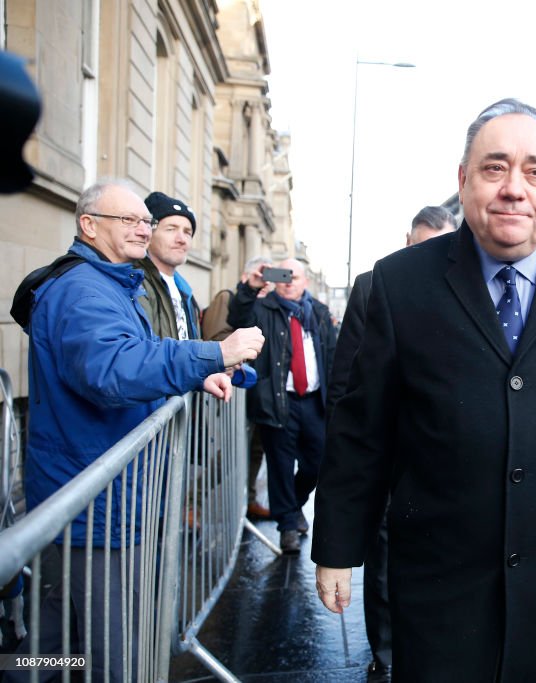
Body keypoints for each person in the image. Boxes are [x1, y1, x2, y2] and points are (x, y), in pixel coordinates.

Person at [312, 98, 536, 681]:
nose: (514, 187)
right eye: (494, 167)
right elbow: (362, 426)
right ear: (464, 180)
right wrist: (336, 545)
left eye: (533, 171)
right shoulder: (400, 283)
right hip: (443, 589)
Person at [10, 180, 264, 682]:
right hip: (97, 498)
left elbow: (136, 359)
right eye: (128, 220)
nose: (142, 229)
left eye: (144, 221)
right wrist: (214, 353)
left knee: (58, 632)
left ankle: (19, 674)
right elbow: (112, 370)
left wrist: (200, 372)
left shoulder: (110, 282)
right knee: (112, 649)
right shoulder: (83, 289)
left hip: (100, 491)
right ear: (89, 225)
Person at [325, 205, 456, 683]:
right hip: (392, 456)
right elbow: (347, 387)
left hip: (447, 462)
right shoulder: (374, 283)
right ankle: (386, 651)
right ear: (409, 240)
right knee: (382, 561)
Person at [227, 257, 336, 554]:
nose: (289, 281)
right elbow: (236, 319)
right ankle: (287, 525)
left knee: (316, 463)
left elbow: (333, 358)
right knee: (281, 466)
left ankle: (293, 506)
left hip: (314, 401)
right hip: (278, 400)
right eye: (283, 275)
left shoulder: (320, 314)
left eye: (295, 276)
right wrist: (250, 288)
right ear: (274, 279)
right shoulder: (262, 309)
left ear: (306, 282)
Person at [202, 254, 275, 520]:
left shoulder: (267, 305)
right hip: (235, 389)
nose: (265, 284)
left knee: (256, 448)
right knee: (230, 450)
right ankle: (194, 500)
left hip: (260, 391)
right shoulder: (228, 297)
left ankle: (251, 499)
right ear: (247, 275)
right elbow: (216, 339)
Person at [136, 191, 201, 340]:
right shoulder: (135, 282)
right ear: (149, 234)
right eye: (171, 229)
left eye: (187, 232)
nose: (181, 239)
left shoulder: (185, 291)